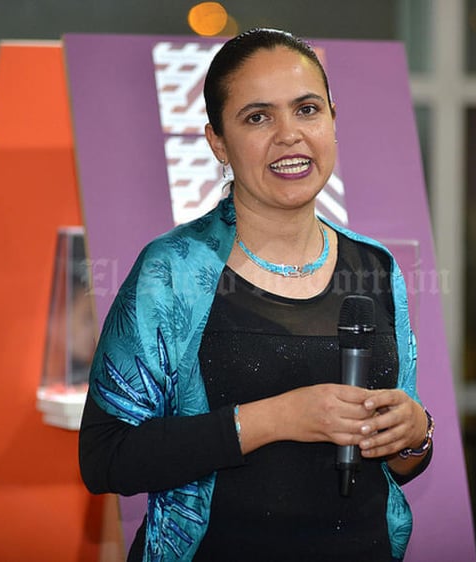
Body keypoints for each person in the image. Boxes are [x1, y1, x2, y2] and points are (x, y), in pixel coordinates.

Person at [79, 28, 432, 562]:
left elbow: (400, 462)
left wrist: (414, 434)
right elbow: (107, 458)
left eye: (307, 109)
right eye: (257, 117)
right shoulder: (173, 271)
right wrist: (277, 419)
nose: (289, 135)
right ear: (217, 141)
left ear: (333, 119)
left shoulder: (376, 266)